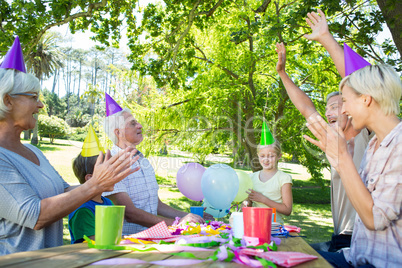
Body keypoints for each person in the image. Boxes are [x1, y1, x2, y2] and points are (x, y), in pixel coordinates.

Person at [0, 37, 139, 255]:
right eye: (33, 97)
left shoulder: (34, 151)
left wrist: (104, 180)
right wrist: (94, 185)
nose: (41, 104)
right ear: (8, 101)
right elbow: (35, 215)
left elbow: (63, 190)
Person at [274, 10, 373, 251]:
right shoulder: (332, 139)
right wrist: (282, 73)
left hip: (365, 237)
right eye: (327, 108)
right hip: (341, 236)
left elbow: (360, 82)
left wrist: (326, 38)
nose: (329, 112)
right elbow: (307, 108)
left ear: (352, 108)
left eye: (337, 106)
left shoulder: (367, 135)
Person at [305, 64, 401, 267]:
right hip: (354, 256)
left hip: (379, 264)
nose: (345, 109)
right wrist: (340, 164)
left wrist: (343, 160)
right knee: (283, 255)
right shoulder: (374, 145)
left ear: (366, 99)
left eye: (346, 101)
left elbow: (374, 219)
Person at [103, 106, 214, 236]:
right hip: (129, 243)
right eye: (133, 123)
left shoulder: (143, 161)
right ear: (118, 132)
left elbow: (156, 205)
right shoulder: (112, 164)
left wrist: (191, 217)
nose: (140, 126)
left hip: (154, 239)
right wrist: (177, 224)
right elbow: (129, 213)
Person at [68, 127, 115, 244]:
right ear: (90, 178)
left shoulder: (108, 203)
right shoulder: (83, 210)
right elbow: (96, 243)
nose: (114, 174)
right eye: (107, 170)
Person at [244, 140, 293, 224]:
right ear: (258, 156)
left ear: (279, 156)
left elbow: (287, 210)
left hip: (274, 229)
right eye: (262, 156)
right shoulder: (251, 178)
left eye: (271, 156)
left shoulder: (284, 178)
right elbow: (248, 203)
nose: (266, 159)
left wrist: (264, 199)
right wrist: (245, 204)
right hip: (254, 226)